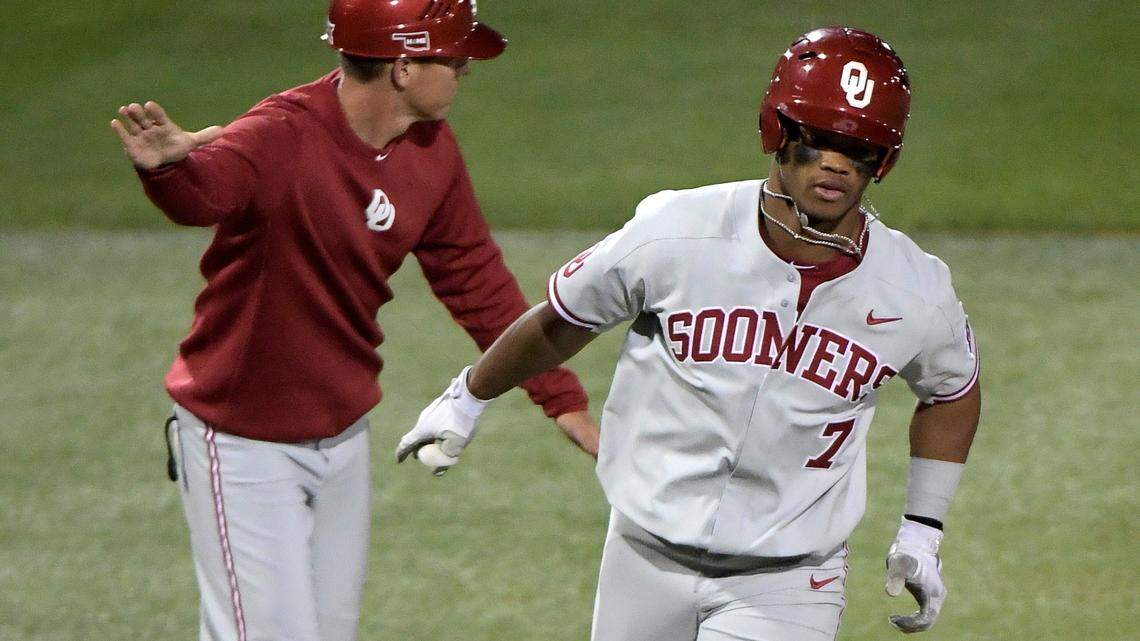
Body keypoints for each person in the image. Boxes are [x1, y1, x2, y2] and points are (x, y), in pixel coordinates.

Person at [397, 26, 981, 640]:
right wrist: (470, 394)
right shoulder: (676, 231)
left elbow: (952, 388)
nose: (836, 162)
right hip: (642, 556)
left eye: (859, 148)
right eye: (818, 139)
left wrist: (923, 525)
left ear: (881, 161)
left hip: (789, 582)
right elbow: (564, 319)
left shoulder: (915, 289)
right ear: (777, 132)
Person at [109, 1, 599, 640]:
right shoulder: (280, 132)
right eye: (450, 56)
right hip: (241, 441)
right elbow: (206, 194)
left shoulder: (430, 147)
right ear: (402, 66)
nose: (462, 68)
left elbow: (474, 278)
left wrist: (561, 399)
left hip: (341, 432)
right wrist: (168, 169)